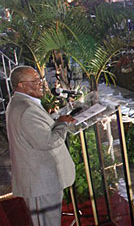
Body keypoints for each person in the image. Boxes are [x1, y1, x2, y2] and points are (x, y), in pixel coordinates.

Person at [6, 66, 76, 226]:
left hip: (38, 178)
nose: (41, 84)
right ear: (21, 85)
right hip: (42, 180)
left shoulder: (19, 102)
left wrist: (55, 120)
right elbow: (47, 142)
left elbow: (36, 130)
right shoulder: (27, 109)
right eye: (35, 81)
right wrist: (63, 124)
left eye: (40, 79)